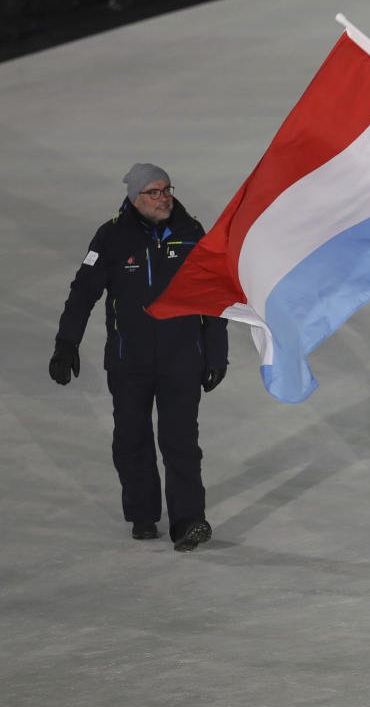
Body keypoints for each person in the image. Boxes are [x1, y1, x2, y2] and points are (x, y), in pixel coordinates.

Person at [48, 163, 228, 552]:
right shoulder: (112, 237)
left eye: (166, 189)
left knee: (181, 441)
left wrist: (216, 354)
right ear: (135, 198)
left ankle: (188, 521)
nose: (164, 198)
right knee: (132, 439)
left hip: (182, 359)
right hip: (130, 362)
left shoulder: (191, 232)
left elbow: (213, 297)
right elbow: (83, 293)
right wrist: (67, 343)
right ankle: (143, 514)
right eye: (153, 192)